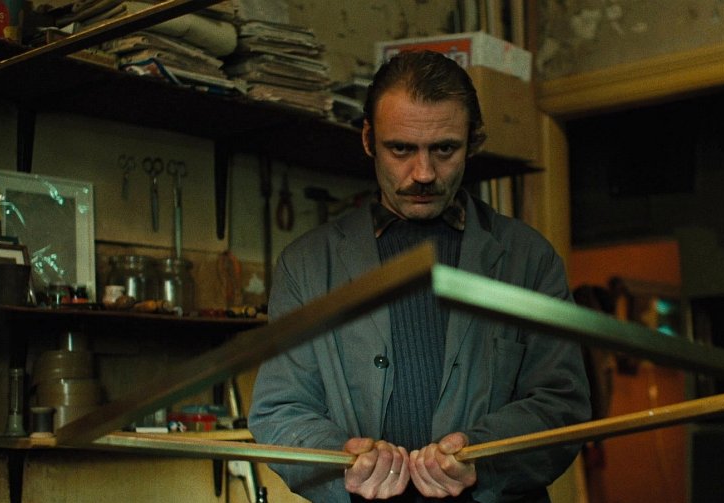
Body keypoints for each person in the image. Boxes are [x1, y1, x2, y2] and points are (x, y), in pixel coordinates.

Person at [249, 50, 591, 502]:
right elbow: (280, 410)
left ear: (473, 141)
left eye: (444, 149)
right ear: (369, 139)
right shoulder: (308, 265)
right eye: (401, 149)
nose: (424, 173)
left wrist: (483, 455)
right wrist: (341, 462)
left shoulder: (528, 258)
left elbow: (562, 403)